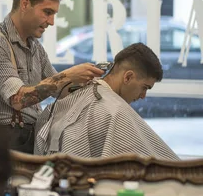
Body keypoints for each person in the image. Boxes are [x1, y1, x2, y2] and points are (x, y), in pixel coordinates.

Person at [0, 0, 105, 153]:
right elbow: (19, 99)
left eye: (53, 14)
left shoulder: (34, 47)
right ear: (25, 4)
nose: (51, 22)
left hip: (29, 136)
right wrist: (68, 76)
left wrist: (95, 84)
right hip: (1, 144)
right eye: (47, 12)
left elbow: (61, 90)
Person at [34, 43, 179, 160]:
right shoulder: (114, 110)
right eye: (144, 87)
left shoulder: (82, 94)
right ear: (127, 77)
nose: (143, 96)